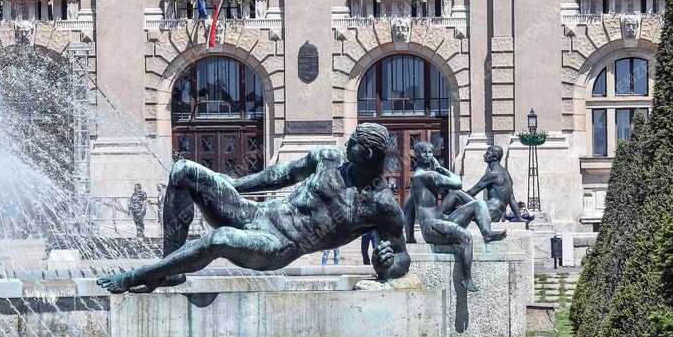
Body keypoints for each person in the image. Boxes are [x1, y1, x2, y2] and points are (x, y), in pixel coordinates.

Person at [97, 123, 411, 294]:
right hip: (255, 214)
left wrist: (386, 265)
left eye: (353, 143)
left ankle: (137, 276)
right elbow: (281, 174)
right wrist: (232, 187)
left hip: (277, 246)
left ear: (367, 153)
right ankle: (170, 271)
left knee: (220, 239)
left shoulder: (379, 204)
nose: (347, 145)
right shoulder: (329, 159)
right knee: (183, 172)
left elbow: (401, 258)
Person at [404, 141, 506, 292]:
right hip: (432, 227)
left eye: (430, 152)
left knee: (479, 204)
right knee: (466, 236)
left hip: (439, 221)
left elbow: (408, 210)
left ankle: (487, 234)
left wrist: (410, 237)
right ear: (417, 156)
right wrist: (441, 169)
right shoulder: (429, 176)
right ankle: (466, 279)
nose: (428, 155)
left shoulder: (417, 180)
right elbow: (457, 182)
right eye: (424, 152)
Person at [465, 146, 523, 222]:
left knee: (456, 194)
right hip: (496, 215)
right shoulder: (505, 173)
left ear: (495, 157)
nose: (484, 155)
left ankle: (444, 214)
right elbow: (512, 199)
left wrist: (459, 200)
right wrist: (519, 217)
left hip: (487, 212)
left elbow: (472, 192)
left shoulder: (492, 174)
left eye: (487, 153)